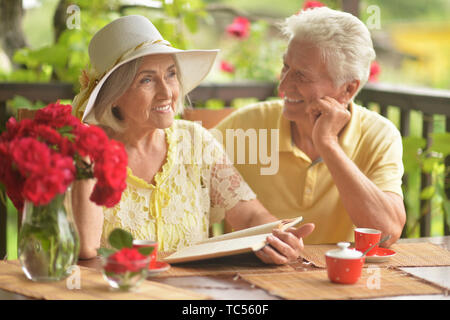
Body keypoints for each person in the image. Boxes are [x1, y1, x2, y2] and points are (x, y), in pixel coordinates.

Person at [70, 15, 314, 264]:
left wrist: (278, 237)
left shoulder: (195, 141)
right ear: (114, 95)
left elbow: (250, 215)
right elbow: (86, 249)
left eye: (171, 74)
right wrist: (86, 165)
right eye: (147, 79)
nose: (167, 92)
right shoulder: (84, 155)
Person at [215, 7, 406, 247]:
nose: (283, 86)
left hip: (340, 279)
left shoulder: (379, 135)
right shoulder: (246, 126)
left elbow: (386, 234)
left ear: (348, 89)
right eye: (286, 67)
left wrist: (328, 145)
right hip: (252, 276)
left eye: (302, 76)